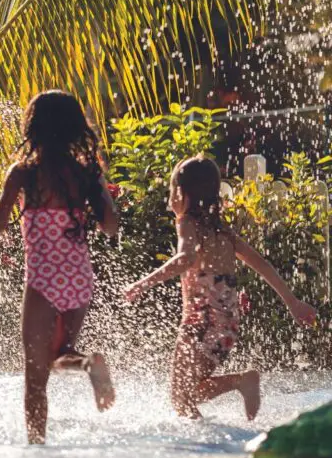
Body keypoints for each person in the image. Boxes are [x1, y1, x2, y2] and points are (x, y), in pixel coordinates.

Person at [0, 90, 119, 445]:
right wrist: (103, 190)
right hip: (79, 278)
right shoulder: (85, 173)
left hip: (44, 280)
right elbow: (110, 227)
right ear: (76, 127)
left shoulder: (25, 174)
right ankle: (89, 364)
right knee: (59, 355)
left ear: (33, 128)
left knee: (35, 376)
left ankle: (37, 446)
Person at [124, 156, 317, 420]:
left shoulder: (187, 224)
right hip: (226, 323)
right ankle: (229, 398)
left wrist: (144, 283)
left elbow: (185, 259)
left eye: (171, 191)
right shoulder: (223, 232)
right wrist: (292, 302)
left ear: (182, 193)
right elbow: (262, 264)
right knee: (184, 397)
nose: (169, 200)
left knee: (181, 397)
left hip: (202, 321)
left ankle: (241, 382)